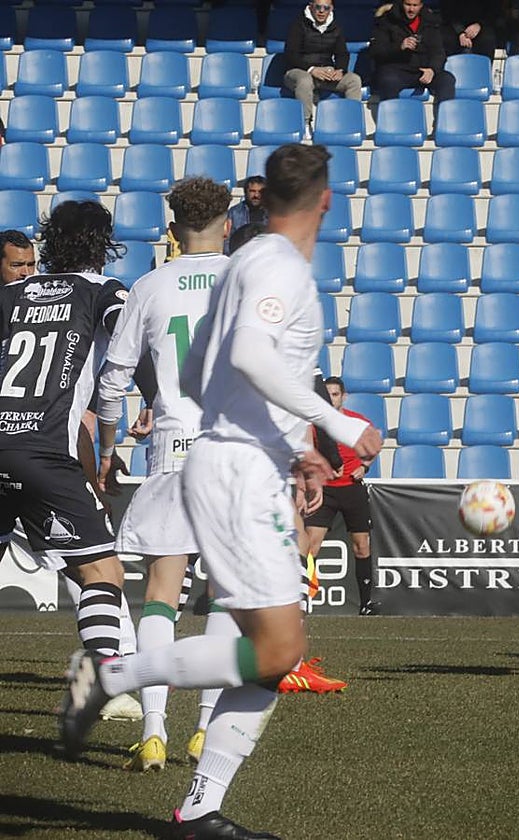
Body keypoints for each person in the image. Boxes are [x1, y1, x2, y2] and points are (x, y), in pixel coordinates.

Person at [58, 144, 384, 839]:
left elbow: (209, 367)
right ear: (326, 200)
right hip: (234, 472)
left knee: (275, 647)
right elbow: (244, 356)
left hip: (239, 461)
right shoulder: (276, 268)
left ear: (261, 196)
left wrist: (296, 448)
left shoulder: (242, 266)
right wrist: (335, 424)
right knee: (274, 648)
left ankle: (199, 807)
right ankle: (115, 674)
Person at [93, 177, 234, 773]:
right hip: (234, 454)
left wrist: (105, 447)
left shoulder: (149, 286)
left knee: (158, 595)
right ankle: (206, 729)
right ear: (227, 224)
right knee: (228, 594)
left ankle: (154, 730)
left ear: (172, 231)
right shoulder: (246, 278)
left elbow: (112, 382)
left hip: (172, 451)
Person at [0, 202, 130, 678]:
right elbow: (131, 338)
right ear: (103, 244)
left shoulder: (15, 292)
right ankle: (104, 676)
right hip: (43, 451)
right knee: (103, 573)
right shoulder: (102, 290)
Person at [303, 376, 379, 616]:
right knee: (309, 546)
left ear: (343, 396)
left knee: (362, 546)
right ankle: (301, 601)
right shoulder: (314, 424)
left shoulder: (356, 422)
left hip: (352, 489)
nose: (330, 398)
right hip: (325, 490)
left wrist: (365, 466)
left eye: (335, 394)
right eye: (326, 394)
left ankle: (365, 604)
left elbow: (376, 443)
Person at [282, 0, 363, 139]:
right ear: (311, 6)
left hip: (325, 73)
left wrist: (340, 70)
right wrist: (311, 69)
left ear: (331, 9)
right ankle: (305, 123)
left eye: (326, 8)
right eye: (318, 7)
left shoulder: (336, 27)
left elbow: (342, 53)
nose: (321, 11)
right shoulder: (298, 25)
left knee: (354, 80)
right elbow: (291, 55)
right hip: (298, 71)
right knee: (305, 80)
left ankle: (351, 122)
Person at [366, 0, 456, 109]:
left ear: (421, 5)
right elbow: (375, 51)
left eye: (415, 5)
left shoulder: (430, 22)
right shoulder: (387, 21)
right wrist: (399, 47)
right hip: (396, 70)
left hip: (423, 70)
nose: (411, 9)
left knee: (447, 79)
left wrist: (432, 70)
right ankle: (393, 121)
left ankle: (445, 120)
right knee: (387, 80)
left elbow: (438, 53)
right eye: (408, 5)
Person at [226, 177, 267, 255]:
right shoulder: (234, 212)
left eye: (260, 192)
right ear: (245, 192)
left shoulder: (272, 214)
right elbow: (227, 240)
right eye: (252, 191)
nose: (256, 195)